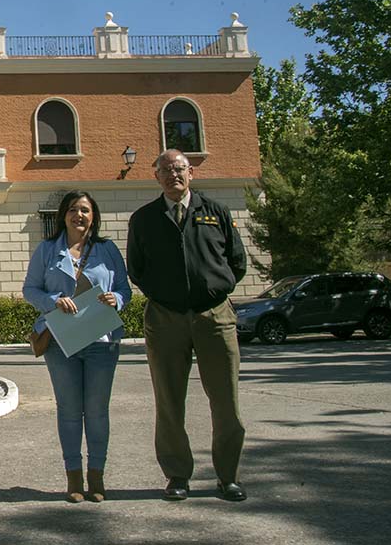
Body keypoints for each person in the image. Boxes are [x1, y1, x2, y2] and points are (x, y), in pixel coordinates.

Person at [127, 150, 248, 502]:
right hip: (165, 318)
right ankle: (177, 475)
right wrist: (165, 295)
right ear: (156, 177)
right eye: (164, 170)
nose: (172, 175)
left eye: (178, 169)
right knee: (169, 401)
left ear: (191, 172)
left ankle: (228, 477)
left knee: (226, 401)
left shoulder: (216, 212)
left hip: (215, 316)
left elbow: (236, 262)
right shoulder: (144, 218)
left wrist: (214, 289)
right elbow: (137, 268)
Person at [23, 191, 131, 503]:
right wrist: (52, 301)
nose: (78, 215)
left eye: (84, 210)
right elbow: (30, 289)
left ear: (93, 216)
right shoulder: (46, 250)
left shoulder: (107, 250)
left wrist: (118, 300)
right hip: (61, 340)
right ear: (63, 216)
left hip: (100, 339)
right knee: (69, 411)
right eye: (72, 210)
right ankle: (73, 477)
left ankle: (96, 476)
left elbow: (124, 288)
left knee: (97, 411)